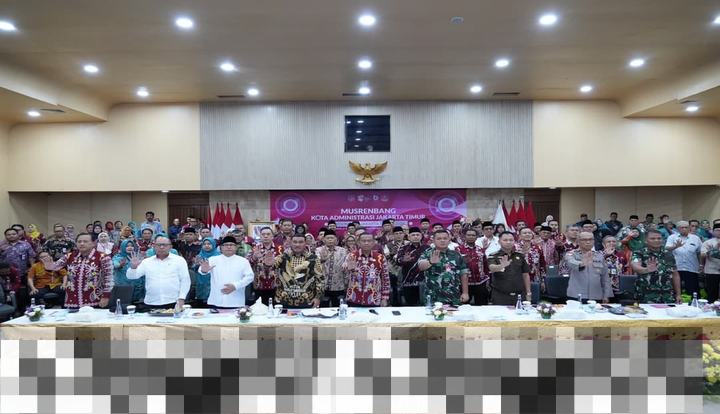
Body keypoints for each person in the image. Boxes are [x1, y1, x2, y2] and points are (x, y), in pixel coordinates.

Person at [42, 233, 114, 308]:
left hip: (95, 298)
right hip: (73, 299)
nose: (82, 244)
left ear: (94, 243)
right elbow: (56, 266)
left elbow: (109, 279)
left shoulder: (103, 257)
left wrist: (106, 296)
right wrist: (50, 267)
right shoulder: (69, 256)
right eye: (79, 242)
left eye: (85, 241)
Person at [126, 235, 190, 310]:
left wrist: (182, 298)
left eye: (165, 245)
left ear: (171, 247)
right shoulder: (147, 262)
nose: (161, 247)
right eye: (159, 245)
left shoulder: (179, 260)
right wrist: (133, 267)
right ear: (154, 246)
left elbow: (185, 280)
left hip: (173, 301)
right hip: (151, 302)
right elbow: (132, 276)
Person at [263, 233, 324, 308]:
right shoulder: (283, 257)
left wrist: (318, 297)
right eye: (295, 242)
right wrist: (268, 264)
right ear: (291, 243)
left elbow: (320, 279)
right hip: (283, 299)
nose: (297, 245)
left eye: (301, 242)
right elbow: (271, 267)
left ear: (305, 243)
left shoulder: (313, 258)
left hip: (307, 299)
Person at [198, 236, 255, 308]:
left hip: (236, 301)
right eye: (226, 245)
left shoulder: (243, 261)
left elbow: (250, 277)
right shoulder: (213, 259)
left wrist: (235, 286)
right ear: (221, 247)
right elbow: (201, 270)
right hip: (216, 300)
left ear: (236, 247)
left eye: (231, 245)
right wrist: (204, 270)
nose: (229, 247)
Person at [417, 230, 469, 306]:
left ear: (449, 240)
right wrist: (430, 262)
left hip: (453, 296)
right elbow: (421, 266)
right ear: (433, 241)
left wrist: (465, 292)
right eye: (439, 238)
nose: (442, 240)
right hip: (433, 297)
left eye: (445, 238)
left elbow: (463, 274)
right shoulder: (427, 254)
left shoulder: (456, 255)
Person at [631, 230, 683, 304]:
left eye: (659, 238)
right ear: (646, 240)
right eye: (652, 238)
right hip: (646, 295)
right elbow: (635, 266)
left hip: (667, 295)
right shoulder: (639, 253)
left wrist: (678, 294)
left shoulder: (668, 254)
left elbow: (675, 274)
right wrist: (646, 270)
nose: (656, 240)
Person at [343, 233, 390, 307]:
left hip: (374, 298)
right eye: (363, 241)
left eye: (369, 241)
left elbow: (385, 279)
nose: (366, 243)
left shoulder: (380, 257)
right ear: (358, 243)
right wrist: (348, 268)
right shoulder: (352, 256)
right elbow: (343, 269)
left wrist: (384, 298)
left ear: (374, 242)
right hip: (354, 298)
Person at [564, 232, 613, 303]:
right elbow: (570, 262)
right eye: (585, 240)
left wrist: (606, 295)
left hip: (596, 294)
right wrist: (582, 264)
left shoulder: (599, 256)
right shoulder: (572, 254)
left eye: (590, 239)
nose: (588, 242)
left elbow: (605, 277)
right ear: (578, 241)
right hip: (577, 294)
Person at [487, 232, 531, 305]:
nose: (508, 242)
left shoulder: (520, 256)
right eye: (505, 240)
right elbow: (492, 268)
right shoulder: (494, 256)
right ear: (499, 242)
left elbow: (525, 275)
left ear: (514, 242)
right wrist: (501, 266)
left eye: (511, 240)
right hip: (501, 295)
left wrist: (528, 293)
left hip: (519, 295)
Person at [665, 221, 702, 296]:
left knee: (693, 290)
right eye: (682, 227)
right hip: (677, 267)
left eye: (686, 227)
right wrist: (676, 246)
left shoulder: (695, 238)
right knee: (675, 290)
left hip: (691, 267)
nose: (684, 229)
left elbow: (699, 252)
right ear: (677, 228)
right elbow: (667, 248)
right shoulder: (672, 237)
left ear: (689, 228)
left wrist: (701, 264)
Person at [248, 227, 284, 306]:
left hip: (277, 285)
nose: (266, 236)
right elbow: (247, 265)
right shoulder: (254, 249)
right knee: (260, 309)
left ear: (272, 236)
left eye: (268, 234)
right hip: (259, 285)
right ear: (260, 236)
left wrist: (275, 261)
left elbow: (286, 265)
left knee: (276, 309)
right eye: (263, 234)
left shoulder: (281, 249)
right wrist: (254, 257)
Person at [397, 227, 431, 306]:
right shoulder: (404, 248)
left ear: (421, 236)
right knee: (411, 306)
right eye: (413, 235)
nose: (415, 237)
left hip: (425, 281)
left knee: (425, 305)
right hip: (409, 281)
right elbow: (398, 261)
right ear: (409, 237)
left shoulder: (427, 248)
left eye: (417, 235)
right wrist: (404, 260)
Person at [456, 228, 490, 305]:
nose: (471, 237)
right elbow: (455, 265)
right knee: (464, 305)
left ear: (476, 237)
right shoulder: (458, 249)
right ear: (465, 236)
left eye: (473, 235)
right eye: (468, 235)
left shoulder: (481, 249)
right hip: (464, 282)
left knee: (482, 305)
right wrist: (463, 262)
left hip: (480, 282)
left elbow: (485, 265)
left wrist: (487, 280)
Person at [316, 230, 349, 307]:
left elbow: (346, 266)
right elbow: (316, 263)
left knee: (337, 307)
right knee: (323, 308)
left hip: (339, 286)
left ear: (336, 240)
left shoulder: (342, 251)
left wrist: (346, 282)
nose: (330, 240)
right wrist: (322, 260)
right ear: (324, 240)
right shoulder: (319, 250)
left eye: (332, 238)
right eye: (328, 238)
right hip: (323, 285)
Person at [383, 226, 408, 306]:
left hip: (405, 270)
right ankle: (394, 304)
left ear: (403, 234)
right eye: (396, 234)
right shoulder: (388, 245)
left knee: (405, 289)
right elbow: (385, 256)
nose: (398, 235)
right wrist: (392, 254)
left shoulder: (408, 244)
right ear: (393, 235)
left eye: (400, 233)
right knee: (393, 289)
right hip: (392, 270)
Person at [194, 237, 221, 306]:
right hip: (202, 281)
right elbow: (194, 269)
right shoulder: (200, 255)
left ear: (213, 245)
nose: (206, 246)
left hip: (214, 280)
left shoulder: (219, 256)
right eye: (204, 244)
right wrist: (196, 265)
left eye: (209, 244)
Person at [701, 224, 720, 303]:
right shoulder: (708, 242)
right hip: (712, 270)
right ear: (713, 231)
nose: (719, 232)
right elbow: (702, 255)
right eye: (717, 230)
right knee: (712, 292)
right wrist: (710, 251)